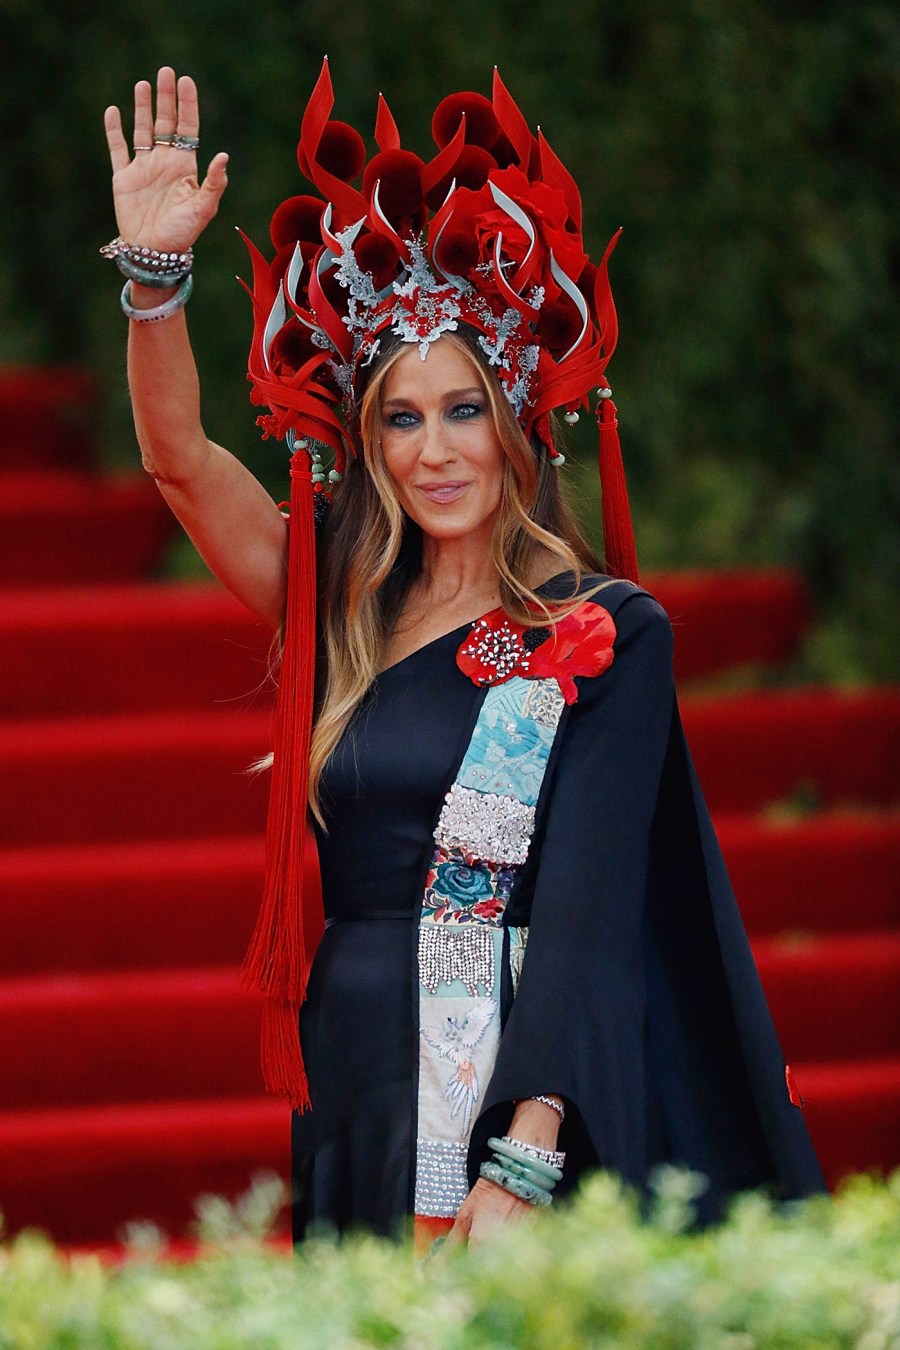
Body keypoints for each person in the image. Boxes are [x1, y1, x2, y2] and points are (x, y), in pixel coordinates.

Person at [103, 62, 827, 1252]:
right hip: (356, 1060)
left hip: (513, 1086)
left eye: (463, 410)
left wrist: (524, 1155)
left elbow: (591, 916)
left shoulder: (607, 632)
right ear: (368, 438)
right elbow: (179, 457)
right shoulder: (339, 600)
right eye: (401, 415)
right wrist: (154, 281)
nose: (435, 449)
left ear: (516, 423)